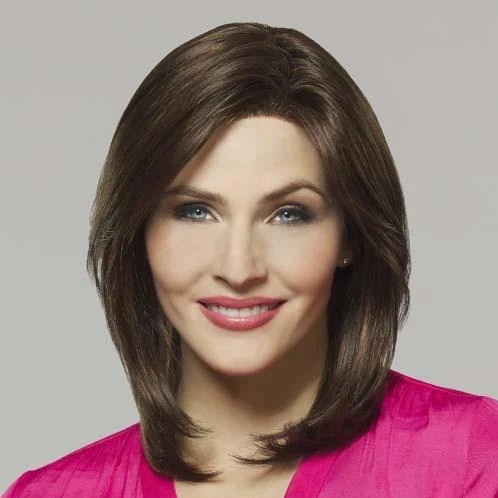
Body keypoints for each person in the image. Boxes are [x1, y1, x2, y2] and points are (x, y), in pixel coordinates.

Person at [3, 21, 497, 498]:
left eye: (288, 214)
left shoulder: (472, 459)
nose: (239, 269)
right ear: (139, 233)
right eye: (195, 211)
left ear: (350, 235)